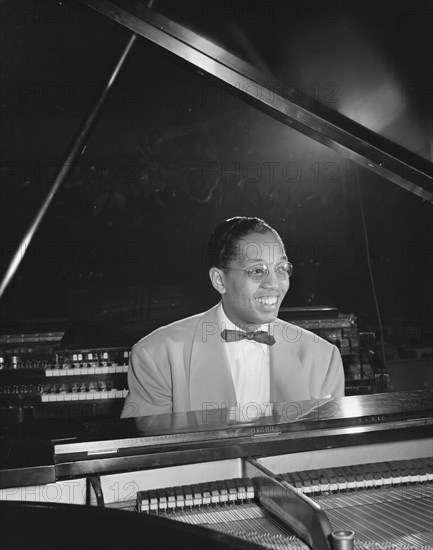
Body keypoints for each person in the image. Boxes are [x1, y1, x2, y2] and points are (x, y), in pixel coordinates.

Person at [121, 216, 344, 419]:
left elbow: (327, 454)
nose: (274, 284)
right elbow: (152, 455)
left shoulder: (323, 358)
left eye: (281, 268)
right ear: (219, 280)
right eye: (257, 270)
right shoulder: (157, 356)